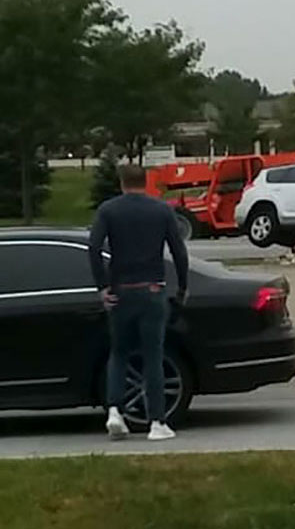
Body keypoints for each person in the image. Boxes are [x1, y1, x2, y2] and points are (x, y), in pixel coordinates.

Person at [89, 164, 189, 441]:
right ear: (146, 182)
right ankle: (157, 422)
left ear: (121, 183)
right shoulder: (161, 210)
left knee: (119, 353)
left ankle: (114, 412)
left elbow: (94, 248)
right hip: (152, 289)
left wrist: (102, 286)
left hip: (121, 291)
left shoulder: (108, 210)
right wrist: (182, 286)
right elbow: (179, 251)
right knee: (152, 356)